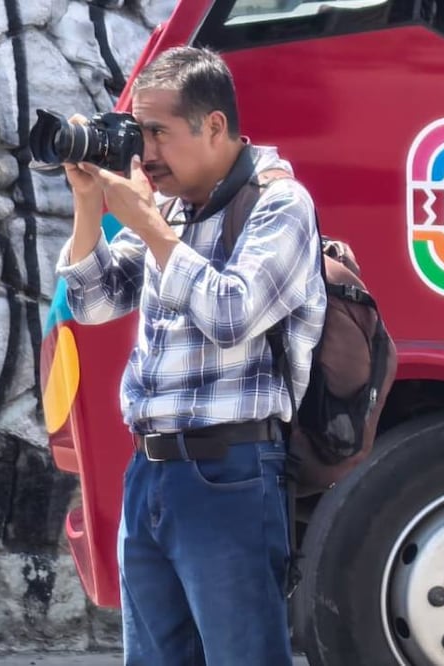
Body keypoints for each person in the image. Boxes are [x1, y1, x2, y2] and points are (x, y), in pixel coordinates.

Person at [54, 46, 327, 665]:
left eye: (158, 132)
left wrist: (151, 228)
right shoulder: (176, 208)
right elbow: (93, 302)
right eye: (139, 131)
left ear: (213, 125)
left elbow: (233, 315)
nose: (145, 152)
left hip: (228, 471)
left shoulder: (279, 205)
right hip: (149, 471)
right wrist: (88, 204)